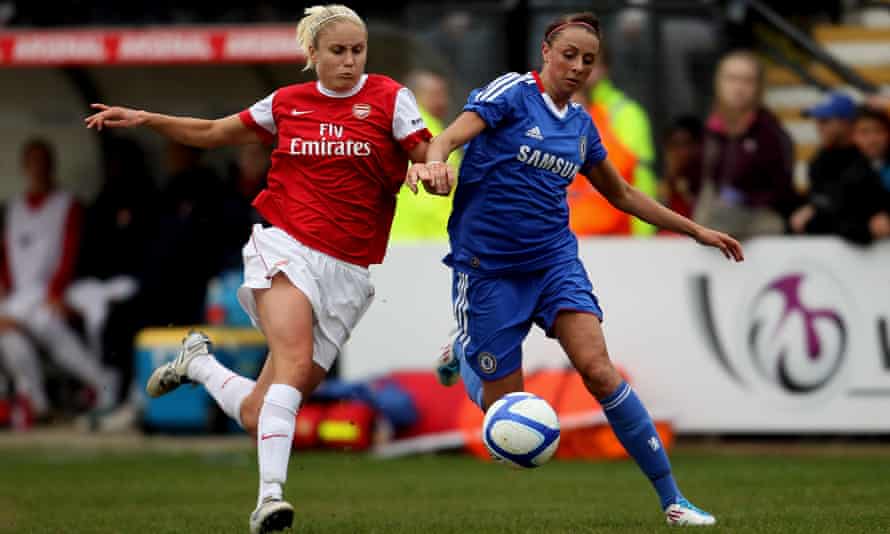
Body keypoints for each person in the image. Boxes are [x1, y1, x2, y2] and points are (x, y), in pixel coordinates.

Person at [85, 5, 445, 533]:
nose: (349, 61)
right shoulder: (286, 103)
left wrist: (431, 167)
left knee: (261, 412)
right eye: (338, 51)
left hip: (348, 272)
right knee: (293, 366)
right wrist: (147, 118)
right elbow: (213, 132)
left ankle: (199, 365)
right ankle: (269, 499)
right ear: (313, 54)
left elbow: (426, 149)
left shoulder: (390, 97)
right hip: (286, 247)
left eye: (358, 50)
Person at [409, 12, 743, 527]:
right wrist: (434, 162)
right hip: (489, 269)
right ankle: (466, 353)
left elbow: (623, 193)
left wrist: (694, 229)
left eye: (588, 60)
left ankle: (673, 501)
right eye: (569, 55)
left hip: (553, 263)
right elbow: (448, 137)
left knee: (599, 370)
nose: (578, 67)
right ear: (546, 52)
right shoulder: (512, 94)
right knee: (505, 414)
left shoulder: (582, 127)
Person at [0, 139, 119, 420]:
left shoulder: (67, 204)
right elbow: (6, 256)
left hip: (51, 292)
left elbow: (70, 252)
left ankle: (100, 379)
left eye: (43, 162)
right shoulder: (14, 207)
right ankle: (35, 402)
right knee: (9, 336)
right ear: (25, 167)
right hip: (19, 297)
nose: (38, 168)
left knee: (44, 324)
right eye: (33, 162)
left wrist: (55, 291)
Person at [693, 50, 796, 240]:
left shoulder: (771, 134)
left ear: (759, 87)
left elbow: (782, 193)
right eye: (731, 79)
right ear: (718, 83)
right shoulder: (709, 132)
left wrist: (744, 200)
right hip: (711, 224)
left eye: (747, 81)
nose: (738, 88)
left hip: (758, 225)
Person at [572, 42, 658, 236]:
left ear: (604, 69)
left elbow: (641, 178)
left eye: (589, 62)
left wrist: (643, 238)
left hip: (614, 240)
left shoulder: (625, 113)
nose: (580, 70)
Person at [389, 69, 460, 242]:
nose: (443, 101)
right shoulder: (427, 132)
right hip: (428, 235)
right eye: (436, 95)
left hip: (396, 234)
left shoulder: (392, 126)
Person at [789, 92, 860, 236]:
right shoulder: (820, 159)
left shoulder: (866, 157)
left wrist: (815, 208)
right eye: (817, 121)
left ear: (846, 123)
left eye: (825, 121)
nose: (818, 127)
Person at [660, 116, 705, 221]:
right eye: (672, 145)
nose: (678, 152)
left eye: (684, 144)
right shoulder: (664, 184)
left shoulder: (707, 182)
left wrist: (685, 192)